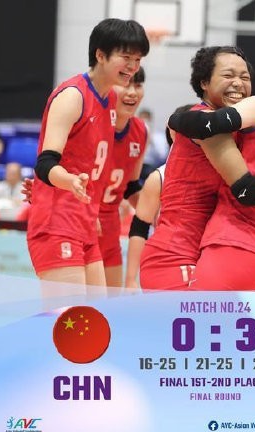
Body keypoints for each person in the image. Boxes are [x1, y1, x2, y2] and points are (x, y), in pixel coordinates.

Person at [138, 46, 255, 290]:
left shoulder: (240, 130)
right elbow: (248, 190)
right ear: (204, 82)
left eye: (245, 77)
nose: (238, 83)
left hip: (208, 254)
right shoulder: (209, 125)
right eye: (228, 75)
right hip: (176, 255)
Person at [26, 18, 149, 288]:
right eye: (126, 57)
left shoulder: (111, 99)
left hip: (86, 222)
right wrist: (69, 181)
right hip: (57, 223)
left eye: (138, 59)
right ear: (100, 55)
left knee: (99, 311)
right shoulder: (73, 96)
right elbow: (45, 163)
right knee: (70, 313)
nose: (133, 66)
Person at [125, 104, 193, 289]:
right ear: (174, 133)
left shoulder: (219, 174)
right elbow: (139, 229)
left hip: (206, 262)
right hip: (169, 262)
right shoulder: (159, 177)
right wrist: (131, 279)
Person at [97, 66, 148, 288]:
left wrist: (160, 214)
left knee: (111, 304)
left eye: (138, 85)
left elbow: (131, 186)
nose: (132, 92)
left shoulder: (140, 131)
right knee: (79, 303)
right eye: (125, 84)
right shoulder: (92, 123)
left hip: (110, 229)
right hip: (83, 224)